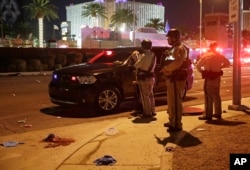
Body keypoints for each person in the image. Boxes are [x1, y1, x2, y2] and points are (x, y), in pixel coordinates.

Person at [160, 28, 188, 132]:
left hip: (176, 78)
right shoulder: (174, 48)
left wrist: (166, 69)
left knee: (175, 102)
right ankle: (172, 121)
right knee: (171, 101)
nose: (168, 39)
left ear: (175, 38)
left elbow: (177, 63)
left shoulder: (179, 48)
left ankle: (177, 124)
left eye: (169, 37)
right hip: (172, 78)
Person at [196, 42, 230, 121]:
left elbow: (198, 66)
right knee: (216, 95)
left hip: (209, 77)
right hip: (217, 77)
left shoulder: (206, 55)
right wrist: (220, 67)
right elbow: (227, 63)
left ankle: (208, 115)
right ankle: (218, 113)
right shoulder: (219, 55)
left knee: (208, 96)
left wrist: (203, 72)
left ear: (210, 47)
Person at [131, 39, 156, 118]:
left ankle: (147, 113)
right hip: (151, 77)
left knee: (145, 96)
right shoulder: (153, 55)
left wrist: (136, 58)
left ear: (143, 46)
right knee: (151, 95)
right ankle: (152, 111)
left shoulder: (143, 55)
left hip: (144, 78)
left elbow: (137, 65)